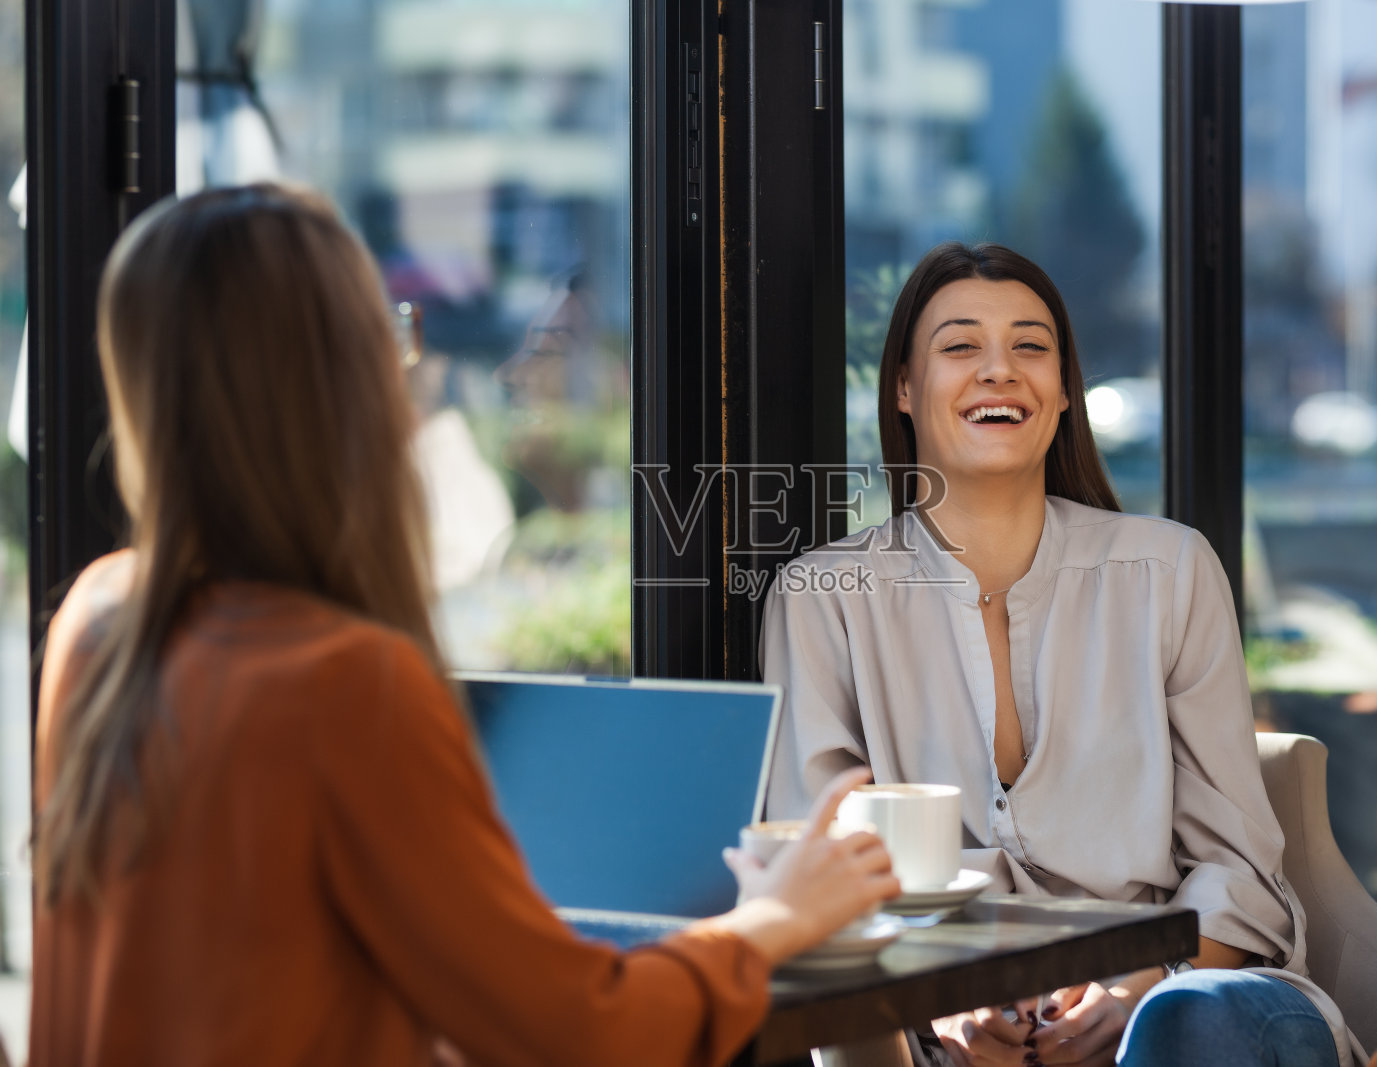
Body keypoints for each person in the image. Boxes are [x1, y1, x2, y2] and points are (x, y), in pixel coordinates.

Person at [29, 183, 900, 1066]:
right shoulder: (345, 681)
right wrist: (775, 919)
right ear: (342, 386)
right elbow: (583, 1029)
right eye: (391, 337)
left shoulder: (101, 621)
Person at [761, 242, 1361, 1067]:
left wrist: (1138, 987)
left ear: (1065, 388)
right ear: (903, 387)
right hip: (944, 1028)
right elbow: (816, 877)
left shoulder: (1170, 570)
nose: (999, 370)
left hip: (1181, 1004)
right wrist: (945, 1003)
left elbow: (1240, 870)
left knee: (1198, 1020)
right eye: (961, 345)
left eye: (1031, 347)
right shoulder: (823, 599)